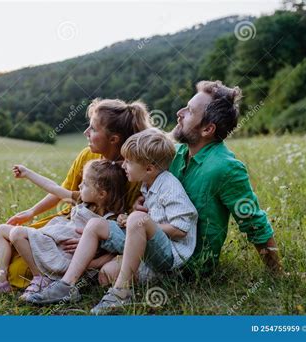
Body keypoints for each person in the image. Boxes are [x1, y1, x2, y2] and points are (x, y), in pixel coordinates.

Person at [98, 80, 282, 289]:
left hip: (188, 264)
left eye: (190, 111)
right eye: (185, 106)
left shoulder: (226, 168)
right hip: (159, 243)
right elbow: (159, 190)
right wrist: (145, 202)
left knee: (106, 274)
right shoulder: (175, 155)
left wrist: (277, 276)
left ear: (207, 129)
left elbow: (255, 224)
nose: (180, 112)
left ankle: (119, 290)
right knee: (94, 246)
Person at [24, 129, 198, 312]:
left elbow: (180, 229)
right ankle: (67, 285)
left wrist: (138, 223)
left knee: (137, 219)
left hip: (169, 255)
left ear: (149, 168)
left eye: (129, 162)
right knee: (95, 224)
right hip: (148, 245)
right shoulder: (149, 183)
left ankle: (121, 293)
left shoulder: (169, 186)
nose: (123, 166)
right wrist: (133, 222)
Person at [0, 98, 152, 289]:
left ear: (113, 139)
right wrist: (31, 212)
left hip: (94, 238)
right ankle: (20, 278)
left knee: (18, 270)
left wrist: (92, 246)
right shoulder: (87, 156)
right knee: (2, 253)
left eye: (93, 129)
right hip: (67, 224)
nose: (86, 133)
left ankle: (45, 279)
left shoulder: (134, 171)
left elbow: (125, 227)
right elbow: (62, 192)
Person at [0, 159, 127, 298]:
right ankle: (0, 280)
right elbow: (53, 188)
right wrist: (28, 173)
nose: (80, 185)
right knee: (1, 230)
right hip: (53, 238)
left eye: (85, 183)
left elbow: (116, 250)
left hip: (63, 253)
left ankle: (40, 278)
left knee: (17, 233)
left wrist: (93, 263)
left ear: (101, 194)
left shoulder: (110, 221)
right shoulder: (82, 199)